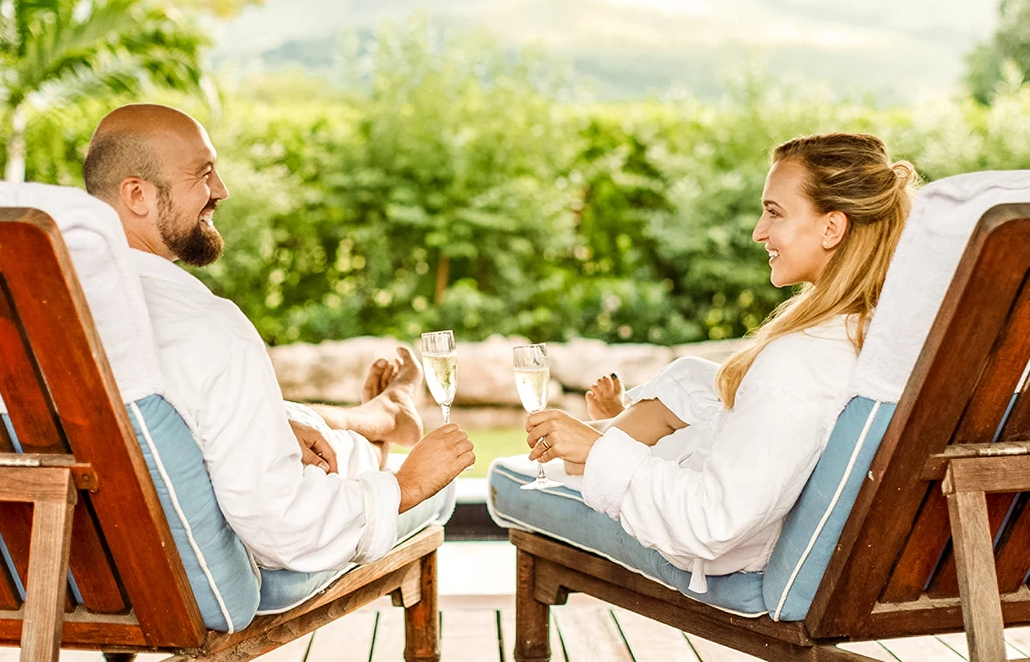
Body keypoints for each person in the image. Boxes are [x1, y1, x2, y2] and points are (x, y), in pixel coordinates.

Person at [83, 103, 474, 575]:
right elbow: (285, 527)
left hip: (76, 564)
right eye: (203, 174)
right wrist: (408, 485)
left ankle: (377, 420)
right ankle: (378, 434)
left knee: (279, 419)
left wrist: (277, 426)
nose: (221, 191)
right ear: (137, 195)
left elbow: (152, 428)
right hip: (177, 578)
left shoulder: (55, 304)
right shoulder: (208, 328)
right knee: (420, 482)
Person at [521, 132, 917, 589]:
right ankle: (615, 431)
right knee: (693, 377)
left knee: (612, 442)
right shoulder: (874, 331)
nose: (758, 232)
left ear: (832, 228)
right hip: (766, 483)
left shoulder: (797, 362)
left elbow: (712, 524)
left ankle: (598, 442)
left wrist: (597, 452)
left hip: (725, 542)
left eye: (774, 212)